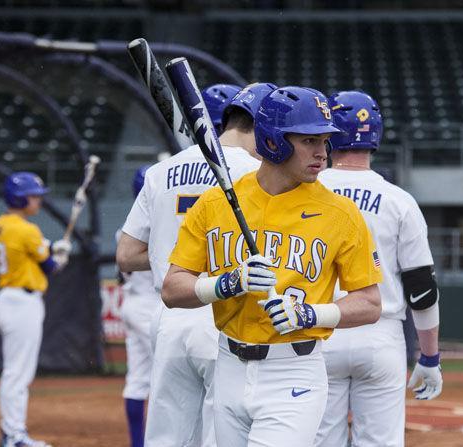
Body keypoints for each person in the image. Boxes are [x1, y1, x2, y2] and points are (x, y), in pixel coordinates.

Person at [162, 86, 383, 447]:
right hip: (227, 364)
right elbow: (172, 290)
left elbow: (370, 303)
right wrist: (225, 284)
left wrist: (310, 315)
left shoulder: (341, 214)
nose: (322, 153)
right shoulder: (215, 203)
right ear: (274, 141)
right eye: (309, 140)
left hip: (294, 371)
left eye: (326, 141)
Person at [116, 82, 274, 447]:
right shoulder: (257, 174)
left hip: (169, 316)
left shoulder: (161, 171)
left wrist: (169, 257)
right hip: (224, 313)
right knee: (219, 434)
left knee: (168, 435)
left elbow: (126, 255)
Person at [315, 91, 442, 447]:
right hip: (381, 334)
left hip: (320, 329)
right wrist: (429, 356)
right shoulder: (400, 201)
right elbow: (422, 288)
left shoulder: (303, 191)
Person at [0, 172, 71, 447]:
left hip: (8, 299)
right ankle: (14, 435)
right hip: (21, 304)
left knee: (15, 372)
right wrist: (60, 255)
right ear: (19, 198)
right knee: (18, 374)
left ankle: (11, 432)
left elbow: (29, 248)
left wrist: (50, 246)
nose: (38, 201)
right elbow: (50, 267)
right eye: (33, 196)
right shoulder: (26, 229)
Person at [116, 166, 157, 447]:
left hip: (131, 303)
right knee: (167, 379)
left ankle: (137, 444)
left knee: (138, 380)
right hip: (150, 308)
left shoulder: (125, 228)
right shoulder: (157, 224)